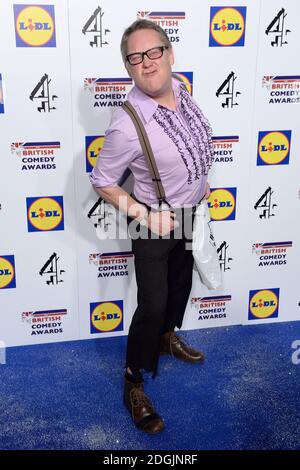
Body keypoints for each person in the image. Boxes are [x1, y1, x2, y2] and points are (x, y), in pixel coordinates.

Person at [90, 19, 213, 434]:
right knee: (153, 302)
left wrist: (201, 181)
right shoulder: (127, 123)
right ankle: (133, 381)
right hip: (154, 222)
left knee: (181, 286)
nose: (146, 63)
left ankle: (167, 336)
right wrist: (144, 215)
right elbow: (102, 180)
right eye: (135, 57)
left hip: (191, 211)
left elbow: (193, 143)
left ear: (169, 54)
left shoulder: (180, 88)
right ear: (128, 67)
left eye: (153, 52)